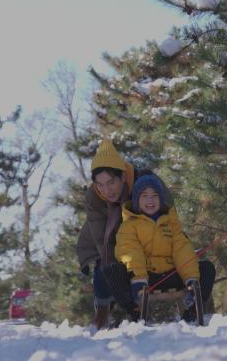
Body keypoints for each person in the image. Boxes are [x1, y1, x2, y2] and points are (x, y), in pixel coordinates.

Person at [102, 174, 216, 322]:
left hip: (171, 274)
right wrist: (139, 279)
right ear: (137, 200)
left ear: (161, 200)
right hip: (145, 278)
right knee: (111, 270)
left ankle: (193, 309)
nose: (150, 200)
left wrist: (190, 278)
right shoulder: (129, 225)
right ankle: (135, 310)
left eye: (155, 195)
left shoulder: (171, 223)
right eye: (145, 196)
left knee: (207, 267)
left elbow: (182, 249)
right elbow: (130, 251)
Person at [75, 139, 158, 329]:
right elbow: (100, 238)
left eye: (111, 182)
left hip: (141, 236)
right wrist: (117, 269)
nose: (106, 190)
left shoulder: (143, 183)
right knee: (106, 268)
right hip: (104, 239)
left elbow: (167, 216)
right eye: (100, 185)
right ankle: (103, 307)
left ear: (122, 176)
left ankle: (139, 309)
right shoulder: (93, 197)